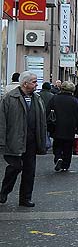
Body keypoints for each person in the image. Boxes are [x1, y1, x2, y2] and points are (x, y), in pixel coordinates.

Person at [0, 72, 48, 207]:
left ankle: (25, 198)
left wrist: (42, 139)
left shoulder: (37, 98)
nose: (36, 84)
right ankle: (4, 192)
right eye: (34, 82)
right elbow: (2, 122)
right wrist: (2, 142)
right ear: (25, 84)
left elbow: (42, 121)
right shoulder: (10, 98)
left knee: (29, 171)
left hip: (31, 141)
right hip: (14, 140)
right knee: (15, 167)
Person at [47, 81, 78, 172]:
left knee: (57, 144)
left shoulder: (54, 98)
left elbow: (47, 111)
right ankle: (65, 165)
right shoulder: (75, 101)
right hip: (70, 127)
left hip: (56, 126)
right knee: (68, 147)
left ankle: (58, 157)